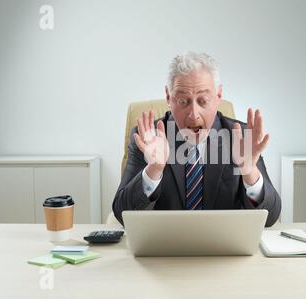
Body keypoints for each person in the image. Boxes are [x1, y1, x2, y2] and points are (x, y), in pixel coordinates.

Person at [112, 51, 281, 227]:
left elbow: (270, 217)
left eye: (203, 101)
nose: (193, 115)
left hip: (224, 249)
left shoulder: (241, 137)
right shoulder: (147, 138)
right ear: (169, 97)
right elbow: (122, 215)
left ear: (218, 96)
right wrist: (153, 170)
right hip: (165, 249)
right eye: (183, 101)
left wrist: (250, 172)